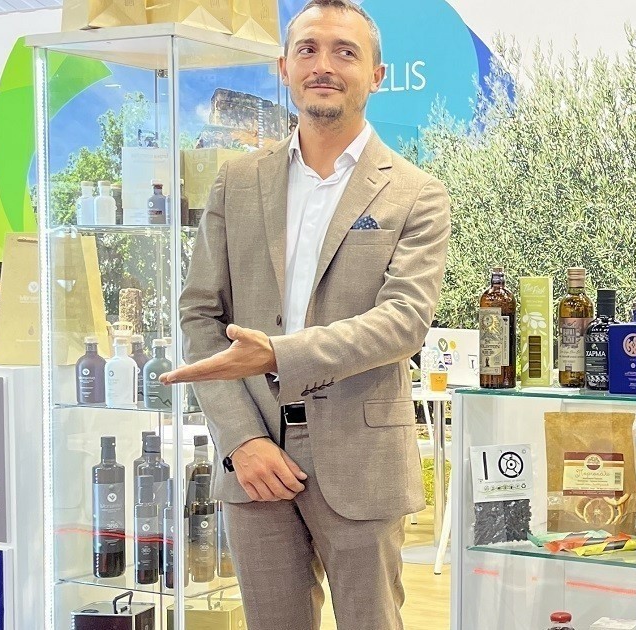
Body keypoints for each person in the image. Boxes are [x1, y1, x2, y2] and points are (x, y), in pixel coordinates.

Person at [163, 1, 450, 627]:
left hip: (361, 459)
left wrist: (278, 354)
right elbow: (200, 316)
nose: (324, 65)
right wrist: (241, 440)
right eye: (308, 49)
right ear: (284, 68)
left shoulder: (416, 193)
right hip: (255, 460)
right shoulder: (237, 181)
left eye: (345, 52)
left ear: (376, 75)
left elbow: (404, 320)